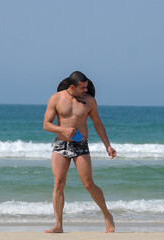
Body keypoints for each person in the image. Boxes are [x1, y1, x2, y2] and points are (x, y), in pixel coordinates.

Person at [43, 71, 117, 233]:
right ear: (72, 87)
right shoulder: (56, 98)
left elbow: (97, 123)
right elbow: (46, 125)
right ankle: (58, 225)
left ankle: (107, 215)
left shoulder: (89, 101)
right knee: (58, 184)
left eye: (87, 86)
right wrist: (63, 129)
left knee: (88, 184)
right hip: (61, 145)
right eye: (82, 87)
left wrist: (108, 146)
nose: (86, 89)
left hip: (80, 145)